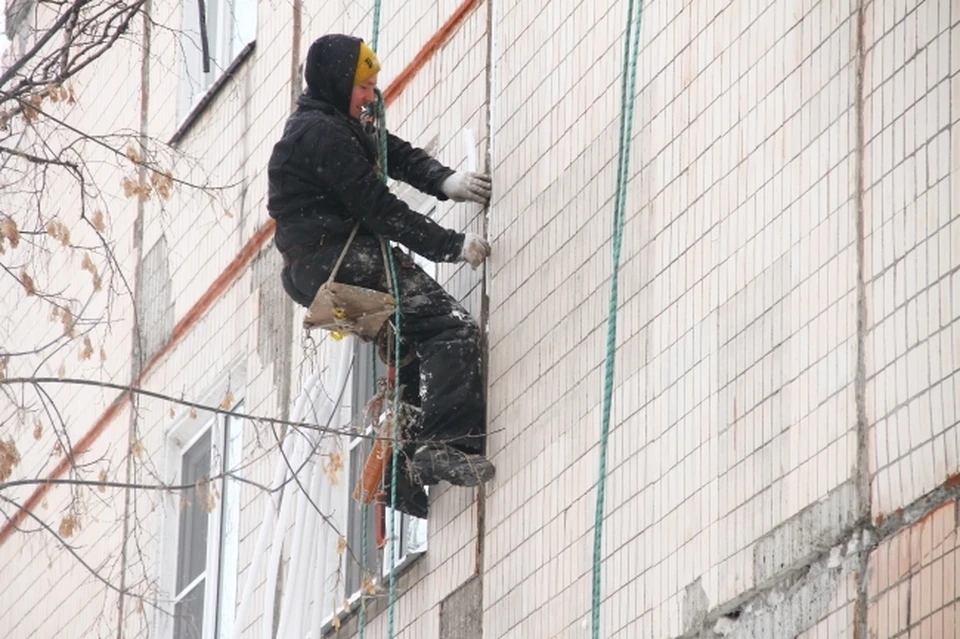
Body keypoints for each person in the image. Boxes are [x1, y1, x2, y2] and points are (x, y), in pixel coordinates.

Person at [267, 33, 495, 518]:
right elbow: (379, 209)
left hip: (315, 272)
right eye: (364, 87)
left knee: (411, 347)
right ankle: (445, 444)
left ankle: (402, 477)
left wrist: (443, 181)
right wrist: (449, 245)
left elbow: (393, 153)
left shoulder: (334, 124)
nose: (371, 96)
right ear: (336, 82)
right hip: (339, 259)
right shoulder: (320, 135)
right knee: (449, 327)